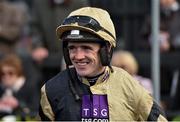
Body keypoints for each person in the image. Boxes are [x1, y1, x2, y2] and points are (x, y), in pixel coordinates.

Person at [39, 7, 167, 121]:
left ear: (107, 49)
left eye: (86, 48)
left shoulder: (129, 86)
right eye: (72, 48)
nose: (78, 56)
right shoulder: (51, 90)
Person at [0, 54, 39, 119]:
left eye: (10, 73)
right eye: (2, 73)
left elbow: (36, 110)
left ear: (18, 73)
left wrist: (18, 104)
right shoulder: (1, 89)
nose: (6, 76)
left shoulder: (29, 88)